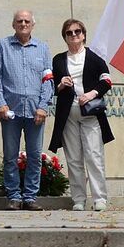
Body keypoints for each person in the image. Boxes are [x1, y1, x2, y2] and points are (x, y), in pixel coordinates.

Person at [0, 10, 54, 211]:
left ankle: (30, 197)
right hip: (10, 112)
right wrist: (0, 103)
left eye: (27, 21)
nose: (23, 24)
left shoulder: (42, 48)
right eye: (19, 21)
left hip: (36, 112)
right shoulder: (2, 46)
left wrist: (44, 106)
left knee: (35, 156)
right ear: (13, 24)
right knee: (10, 155)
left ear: (32, 24)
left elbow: (48, 80)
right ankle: (14, 197)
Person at [48, 18, 114, 211]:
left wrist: (92, 93)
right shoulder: (58, 60)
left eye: (77, 31)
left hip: (91, 114)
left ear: (84, 35)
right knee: (74, 159)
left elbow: (107, 80)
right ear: (65, 37)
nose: (74, 35)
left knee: (94, 156)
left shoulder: (94, 57)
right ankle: (78, 199)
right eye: (69, 33)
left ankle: (99, 198)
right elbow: (51, 87)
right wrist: (61, 85)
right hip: (67, 114)